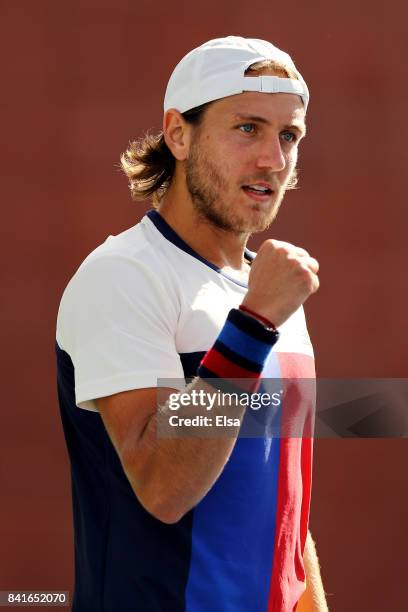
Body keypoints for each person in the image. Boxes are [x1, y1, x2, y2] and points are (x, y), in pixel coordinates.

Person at [56, 36, 328, 612]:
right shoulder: (124, 275)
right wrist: (253, 324)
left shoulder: (273, 293)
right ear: (178, 134)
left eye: (289, 135)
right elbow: (164, 486)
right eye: (247, 127)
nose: (272, 160)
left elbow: (285, 515)